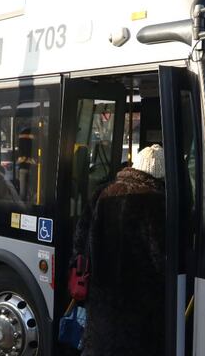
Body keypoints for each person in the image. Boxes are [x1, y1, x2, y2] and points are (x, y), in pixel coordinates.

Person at [82, 144, 166, 356]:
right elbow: (161, 259)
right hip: (138, 310)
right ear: (161, 174)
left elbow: (82, 240)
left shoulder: (104, 193)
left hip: (101, 302)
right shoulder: (156, 202)